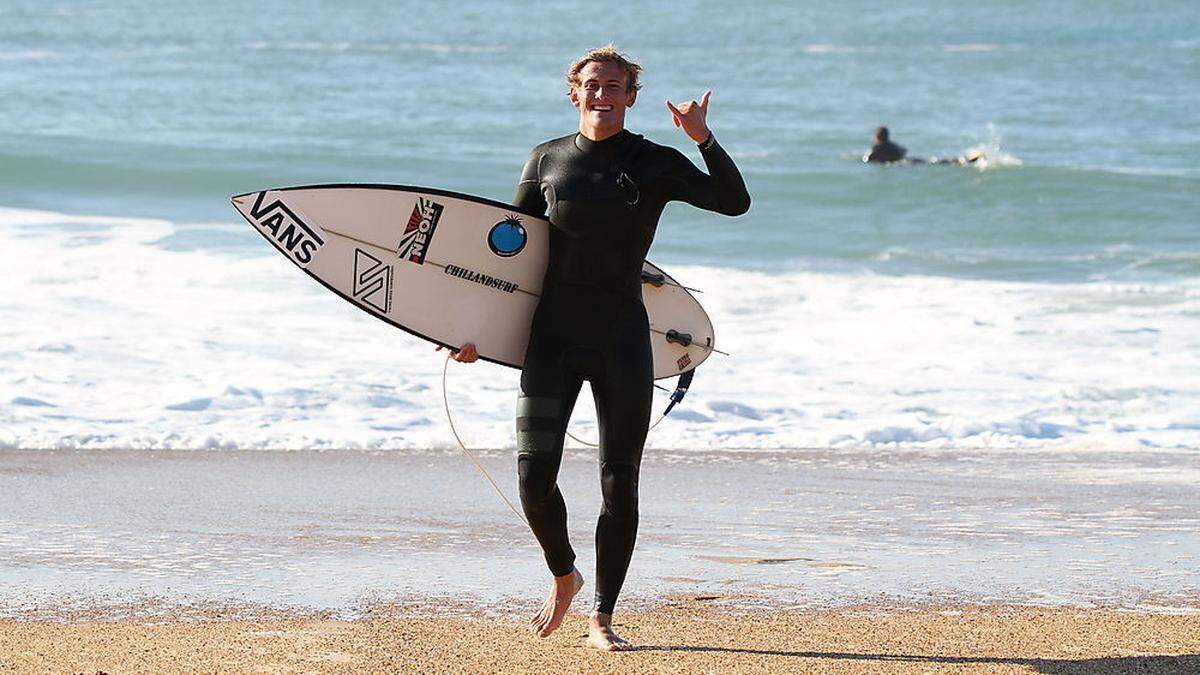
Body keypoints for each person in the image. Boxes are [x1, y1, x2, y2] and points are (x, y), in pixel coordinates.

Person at [440, 45, 749, 651]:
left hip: (622, 339)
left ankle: (603, 615)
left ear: (631, 96)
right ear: (574, 93)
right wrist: (468, 331)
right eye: (591, 84)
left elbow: (733, 201)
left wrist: (703, 138)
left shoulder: (656, 162)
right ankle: (565, 574)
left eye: (614, 85)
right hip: (552, 336)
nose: (602, 93)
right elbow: (509, 255)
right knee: (532, 478)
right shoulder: (546, 160)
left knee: (619, 481)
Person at [863, 125, 983, 165]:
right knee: (934, 162)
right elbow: (904, 150)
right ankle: (963, 160)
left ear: (877, 137)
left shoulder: (876, 148)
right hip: (909, 160)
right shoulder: (892, 145)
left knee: (935, 164)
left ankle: (962, 161)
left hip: (903, 164)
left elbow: (866, 160)